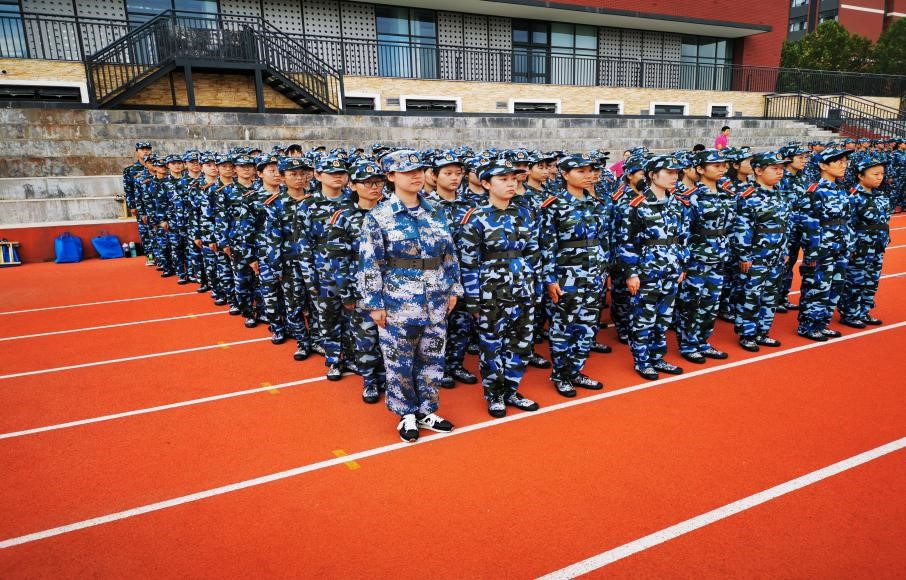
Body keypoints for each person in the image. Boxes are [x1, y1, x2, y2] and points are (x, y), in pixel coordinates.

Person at [358, 149, 461, 443]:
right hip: (398, 301)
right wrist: (374, 303)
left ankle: (427, 410)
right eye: (407, 172)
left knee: (433, 359)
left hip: (436, 298)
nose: (416, 176)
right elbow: (369, 263)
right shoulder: (379, 216)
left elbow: (449, 254)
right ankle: (406, 414)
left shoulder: (436, 211)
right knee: (399, 362)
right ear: (391, 176)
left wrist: (454, 288)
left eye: (419, 171)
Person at [459, 158, 541, 417]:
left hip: (523, 289)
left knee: (521, 344)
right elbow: (468, 263)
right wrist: (473, 300)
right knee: (492, 346)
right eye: (503, 179)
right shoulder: (475, 218)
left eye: (514, 179)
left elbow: (533, 253)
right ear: (486, 184)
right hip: (491, 293)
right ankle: (494, 394)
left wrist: (536, 287)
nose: (511, 184)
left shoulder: (525, 213)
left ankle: (511, 390)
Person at [539, 153, 610, 397]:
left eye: (590, 170)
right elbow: (547, 246)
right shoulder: (553, 205)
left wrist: (604, 269)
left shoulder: (597, 203)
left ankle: (575, 370)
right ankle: (561, 374)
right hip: (567, 276)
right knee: (563, 326)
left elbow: (604, 240)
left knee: (587, 327)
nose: (588, 175)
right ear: (565, 174)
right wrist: (550, 279)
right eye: (581, 171)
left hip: (594, 275)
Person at [616, 155, 690, 380]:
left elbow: (683, 237)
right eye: (669, 172)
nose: (674, 177)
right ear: (652, 175)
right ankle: (642, 361)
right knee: (643, 318)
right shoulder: (636, 205)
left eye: (676, 173)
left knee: (663, 318)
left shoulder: (678, 203)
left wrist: (682, 265)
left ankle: (657, 357)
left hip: (671, 269)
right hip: (647, 272)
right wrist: (631, 273)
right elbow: (626, 242)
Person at [324, 160, 387, 403]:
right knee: (366, 337)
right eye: (367, 183)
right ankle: (370, 379)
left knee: (390, 336)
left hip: (391, 286)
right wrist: (346, 292)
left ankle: (388, 376)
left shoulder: (392, 212)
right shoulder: (343, 216)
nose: (374, 187)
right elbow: (337, 258)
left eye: (378, 182)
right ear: (353, 186)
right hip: (360, 288)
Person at [676, 149, 735, 364]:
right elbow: (682, 233)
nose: (722, 169)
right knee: (691, 304)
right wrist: (683, 263)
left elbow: (731, 227)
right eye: (716, 166)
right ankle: (688, 345)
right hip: (697, 259)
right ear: (700, 169)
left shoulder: (727, 194)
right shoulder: (690, 197)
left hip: (719, 257)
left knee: (711, 303)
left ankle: (703, 342)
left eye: (724, 165)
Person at [297, 155, 354, 378]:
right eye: (332, 173)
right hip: (323, 272)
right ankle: (334, 359)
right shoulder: (308, 205)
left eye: (341, 173)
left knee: (354, 318)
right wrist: (309, 277)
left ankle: (353, 357)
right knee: (328, 317)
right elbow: (303, 244)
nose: (338, 177)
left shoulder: (354, 200)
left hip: (350, 269)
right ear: (318, 176)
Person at [732, 152, 792, 351]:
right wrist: (744, 256)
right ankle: (747, 334)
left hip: (776, 255)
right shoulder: (748, 196)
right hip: (756, 256)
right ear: (758, 170)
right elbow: (742, 229)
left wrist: (785, 250)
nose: (780, 172)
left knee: (770, 295)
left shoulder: (780, 194)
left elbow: (785, 225)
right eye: (774, 168)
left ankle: (762, 331)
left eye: (781, 169)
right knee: (751, 295)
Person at [796, 148, 854, 342]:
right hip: (822, 248)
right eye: (838, 162)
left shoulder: (841, 190)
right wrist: (812, 252)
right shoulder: (815, 191)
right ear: (823, 165)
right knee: (817, 286)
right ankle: (808, 326)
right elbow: (808, 224)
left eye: (845, 161)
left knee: (835, 285)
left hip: (840, 246)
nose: (843, 165)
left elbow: (847, 220)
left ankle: (822, 323)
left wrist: (849, 244)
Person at [838, 156, 892, 328]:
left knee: (871, 281)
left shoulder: (880, 196)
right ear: (861, 176)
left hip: (877, 246)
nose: (880, 177)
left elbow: (884, 220)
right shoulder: (852, 197)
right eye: (875, 174)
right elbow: (847, 225)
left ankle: (864, 311)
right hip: (860, 248)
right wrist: (851, 247)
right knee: (855, 282)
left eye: (882, 174)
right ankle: (850, 313)